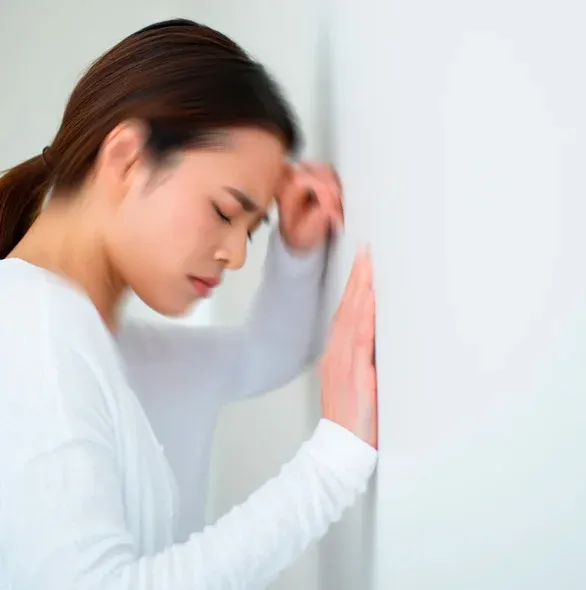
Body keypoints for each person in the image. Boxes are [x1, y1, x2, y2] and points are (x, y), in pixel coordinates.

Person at [0, 18, 378, 590]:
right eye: (225, 211)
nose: (237, 255)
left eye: (252, 228)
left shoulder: (95, 338)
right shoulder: (34, 331)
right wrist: (332, 467)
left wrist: (298, 249)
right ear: (127, 158)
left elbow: (263, 356)